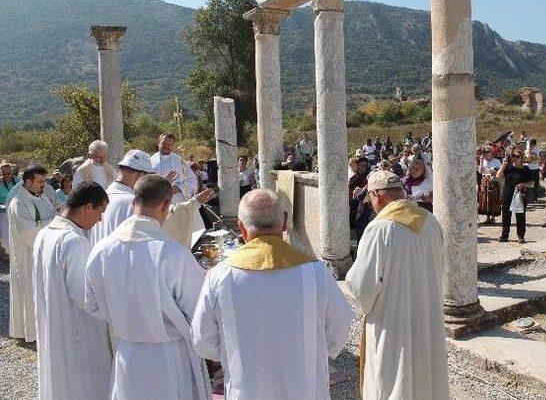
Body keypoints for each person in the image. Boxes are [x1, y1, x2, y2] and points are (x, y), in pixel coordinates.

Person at [191, 189, 353, 399]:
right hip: (304, 389)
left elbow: (202, 340)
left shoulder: (219, 276)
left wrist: (234, 352)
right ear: (284, 222)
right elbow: (340, 329)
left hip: (247, 388)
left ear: (241, 228)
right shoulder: (316, 272)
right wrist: (316, 351)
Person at [85, 175, 212, 400]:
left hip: (127, 354)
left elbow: (93, 306)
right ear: (166, 206)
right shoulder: (173, 254)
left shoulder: (101, 250)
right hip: (169, 358)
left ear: (133, 203)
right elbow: (199, 311)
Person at [346, 170, 448, 400]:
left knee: (393, 378)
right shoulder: (430, 221)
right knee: (425, 377)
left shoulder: (379, 228)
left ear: (377, 196)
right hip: (427, 315)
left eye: (370, 198)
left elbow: (362, 285)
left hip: (392, 322)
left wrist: (363, 305)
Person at [33, 182, 111, 400]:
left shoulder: (45, 232)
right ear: (88, 207)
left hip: (53, 325)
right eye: (100, 211)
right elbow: (85, 297)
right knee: (82, 385)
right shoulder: (74, 242)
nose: (100, 220)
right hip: (76, 333)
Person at [91, 149, 214, 249]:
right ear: (140, 176)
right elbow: (166, 221)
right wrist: (194, 204)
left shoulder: (101, 197)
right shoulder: (133, 203)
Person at [8, 164, 56, 342]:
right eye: (40, 181)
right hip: (28, 255)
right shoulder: (18, 202)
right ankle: (31, 333)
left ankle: (43, 330)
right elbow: (30, 232)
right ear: (28, 182)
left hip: (43, 254)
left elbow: (50, 212)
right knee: (30, 291)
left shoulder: (41, 197)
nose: (44, 185)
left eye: (45, 181)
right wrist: (55, 221)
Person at [497, 149, 535, 243]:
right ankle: (504, 236)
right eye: (513, 156)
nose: (515, 158)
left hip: (520, 195)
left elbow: (532, 183)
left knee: (520, 216)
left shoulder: (525, 169)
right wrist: (503, 165)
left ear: (521, 157)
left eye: (517, 156)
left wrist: (523, 184)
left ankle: (521, 236)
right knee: (506, 215)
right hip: (508, 194)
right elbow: (498, 176)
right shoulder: (508, 167)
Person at [150, 132, 198, 204]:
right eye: (164, 143)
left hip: (177, 202)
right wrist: (163, 183)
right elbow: (145, 184)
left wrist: (179, 188)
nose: (167, 146)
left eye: (170, 144)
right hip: (157, 202)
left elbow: (192, 179)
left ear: (173, 146)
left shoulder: (179, 161)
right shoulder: (150, 161)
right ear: (159, 143)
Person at [478, 147, 502, 223]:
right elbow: (480, 171)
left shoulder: (497, 161)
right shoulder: (483, 161)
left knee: (493, 198)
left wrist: (494, 172)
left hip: (493, 180)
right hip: (485, 180)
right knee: (485, 199)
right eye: (484, 153)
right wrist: (481, 161)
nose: (485, 154)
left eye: (487, 152)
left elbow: (500, 172)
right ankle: (487, 217)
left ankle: (493, 217)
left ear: (491, 153)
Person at [0, 160, 20, 249]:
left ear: (12, 172)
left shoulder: (18, 181)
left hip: (18, 208)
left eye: (8, 173)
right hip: (4, 211)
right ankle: (7, 249)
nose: (6, 176)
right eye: (3, 174)